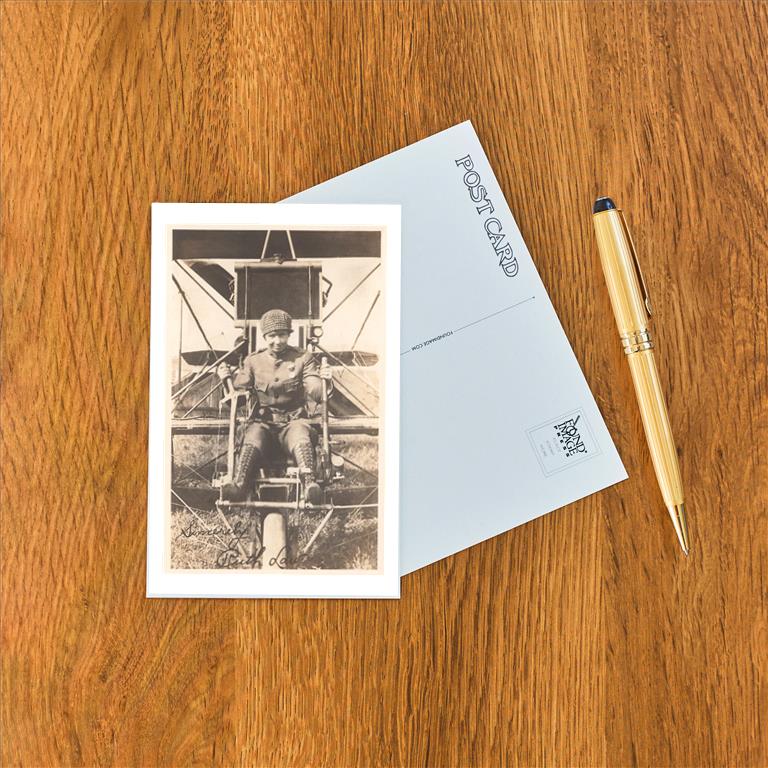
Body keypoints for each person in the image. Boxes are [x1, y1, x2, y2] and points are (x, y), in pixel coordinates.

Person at [216, 309, 332, 504]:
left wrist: (325, 381)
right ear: (264, 337)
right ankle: (239, 486)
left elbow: (316, 391)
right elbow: (236, 399)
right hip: (263, 424)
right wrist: (224, 380)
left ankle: (310, 485)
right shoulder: (253, 361)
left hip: (293, 423)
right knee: (253, 434)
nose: (277, 341)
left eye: (282, 335)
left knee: (300, 434)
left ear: (288, 335)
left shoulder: (303, 358)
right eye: (272, 336)